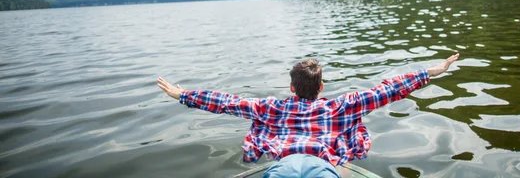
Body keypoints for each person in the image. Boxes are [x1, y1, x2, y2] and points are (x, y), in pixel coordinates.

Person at [157, 53, 460, 176]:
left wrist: (183, 94)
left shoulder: (272, 108)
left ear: (291, 86)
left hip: (283, 168)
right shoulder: (340, 106)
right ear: (322, 86)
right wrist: (430, 71)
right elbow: (389, 90)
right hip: (320, 169)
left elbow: (226, 102)